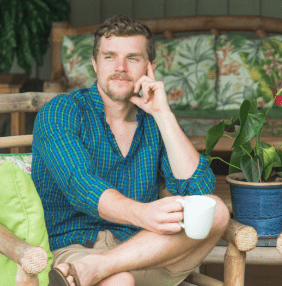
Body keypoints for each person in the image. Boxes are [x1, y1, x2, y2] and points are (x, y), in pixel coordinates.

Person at [32, 15, 229, 286]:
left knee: (216, 210)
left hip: (146, 249)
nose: (120, 67)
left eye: (133, 58)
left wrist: (163, 114)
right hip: (75, 250)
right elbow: (80, 186)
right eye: (110, 56)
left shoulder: (152, 122)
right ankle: (98, 268)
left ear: (150, 68)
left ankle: (100, 266)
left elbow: (197, 189)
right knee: (120, 281)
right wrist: (144, 213)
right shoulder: (62, 111)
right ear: (95, 64)